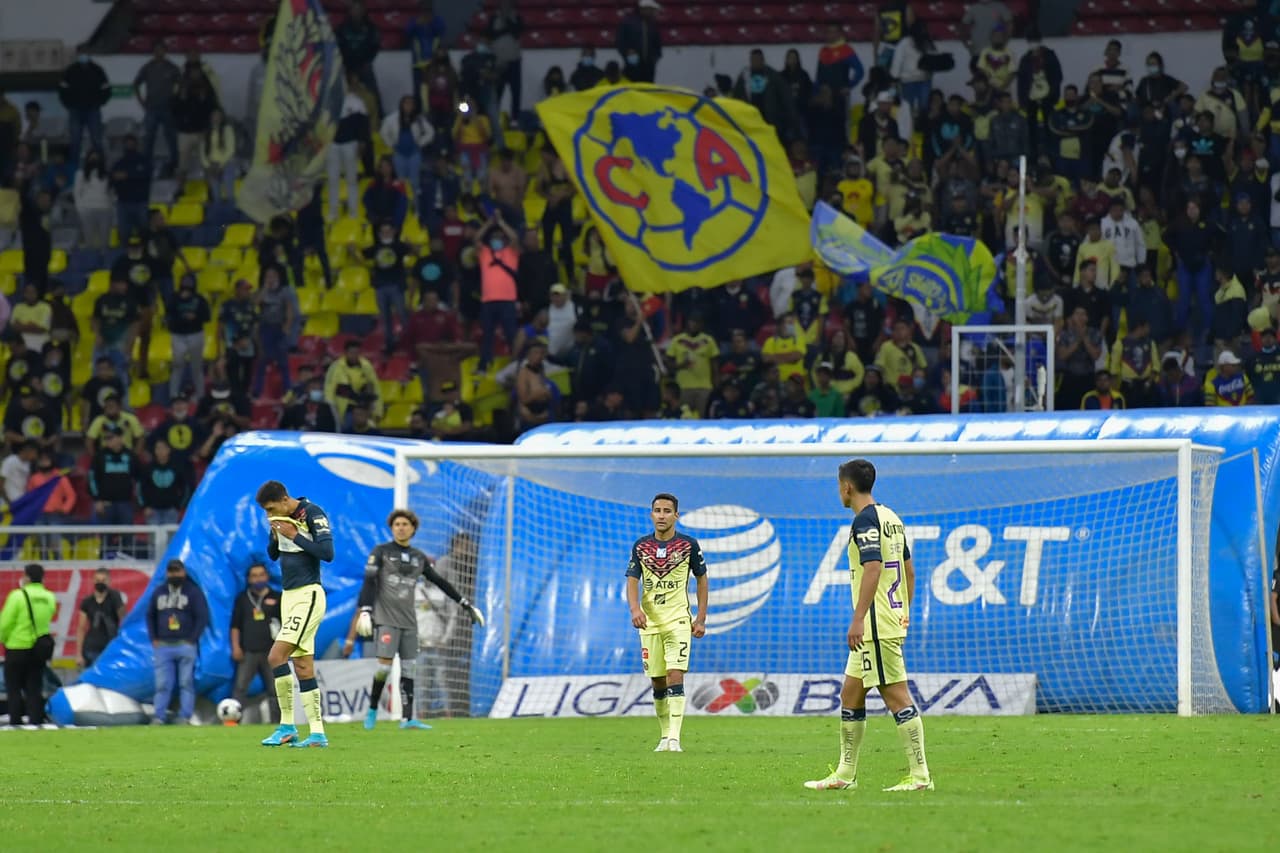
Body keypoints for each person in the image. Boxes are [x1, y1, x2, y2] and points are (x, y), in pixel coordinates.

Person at [805, 459, 932, 792]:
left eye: (839, 486)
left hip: (875, 626)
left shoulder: (864, 520)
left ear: (846, 487)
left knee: (897, 696)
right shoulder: (892, 518)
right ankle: (845, 774)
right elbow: (909, 571)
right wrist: (905, 610)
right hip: (888, 619)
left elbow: (873, 568)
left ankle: (920, 776)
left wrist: (858, 618)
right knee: (850, 693)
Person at [345, 509, 484, 729]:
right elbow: (369, 582)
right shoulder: (381, 552)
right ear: (392, 528)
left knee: (409, 669)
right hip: (387, 620)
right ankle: (372, 710)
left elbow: (440, 582)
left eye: (405, 524)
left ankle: (408, 719)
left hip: (410, 622)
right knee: (384, 668)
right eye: (397, 524)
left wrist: (465, 604)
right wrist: (366, 609)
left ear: (413, 529)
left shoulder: (418, 557)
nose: (401, 528)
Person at [626, 493, 707, 753]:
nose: (662, 515)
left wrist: (701, 618)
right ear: (652, 515)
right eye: (658, 510)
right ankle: (664, 736)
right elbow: (632, 580)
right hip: (650, 623)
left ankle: (674, 738)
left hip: (678, 620)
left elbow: (702, 579)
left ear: (676, 515)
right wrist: (635, 609)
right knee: (658, 681)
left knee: (675, 673)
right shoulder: (641, 546)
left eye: (667, 511)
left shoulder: (688, 545)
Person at [257, 480, 335, 747]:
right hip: (288, 596)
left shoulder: (312, 513)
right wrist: (274, 534)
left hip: (308, 595)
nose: (269, 514)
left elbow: (327, 553)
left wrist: (294, 535)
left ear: (284, 499)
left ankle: (287, 726)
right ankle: (317, 734)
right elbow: (273, 555)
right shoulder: (280, 520)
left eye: (270, 509)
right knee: (302, 666)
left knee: (276, 656)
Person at [147, 558, 209, 725]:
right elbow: (150, 615)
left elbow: (202, 616)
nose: (174, 574)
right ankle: (159, 716)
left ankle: (185, 716)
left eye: (177, 571)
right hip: (163, 645)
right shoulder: (159, 592)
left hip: (184, 644)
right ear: (167, 573)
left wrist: (192, 639)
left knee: (186, 683)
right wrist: (154, 638)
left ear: (184, 572)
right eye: (171, 571)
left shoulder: (192, 592)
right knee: (162, 684)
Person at [0, 564, 57, 725]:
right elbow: (49, 616)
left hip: (17, 647)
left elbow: (5, 623)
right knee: (34, 688)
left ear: (27, 577)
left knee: (14, 689)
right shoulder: (49, 597)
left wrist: (4, 639)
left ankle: (16, 721)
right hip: (38, 649)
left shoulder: (17, 596)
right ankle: (35, 721)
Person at [230, 563, 282, 724]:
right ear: (248, 579)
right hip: (248, 652)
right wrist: (236, 647)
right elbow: (235, 626)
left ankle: (278, 724)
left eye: (261, 575)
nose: (258, 579)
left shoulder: (277, 597)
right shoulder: (243, 598)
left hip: (272, 652)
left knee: (275, 690)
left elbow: (286, 624)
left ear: (267, 576)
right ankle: (233, 721)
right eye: (254, 576)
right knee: (240, 688)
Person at [58, 44, 110, 169]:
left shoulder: (97, 70)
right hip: (75, 110)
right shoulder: (70, 70)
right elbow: (62, 89)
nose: (83, 55)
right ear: (77, 54)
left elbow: (106, 88)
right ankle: (74, 169)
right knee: (75, 141)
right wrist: (68, 104)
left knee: (97, 140)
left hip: (93, 109)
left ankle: (101, 168)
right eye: (81, 53)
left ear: (89, 54)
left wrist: (100, 102)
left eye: (85, 52)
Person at [134, 41, 181, 172]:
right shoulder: (147, 67)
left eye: (161, 50)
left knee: (171, 138)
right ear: (153, 52)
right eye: (156, 50)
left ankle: (174, 164)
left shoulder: (172, 67)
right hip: (151, 108)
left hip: (168, 108)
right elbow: (136, 84)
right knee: (148, 138)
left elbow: (182, 85)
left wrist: (176, 101)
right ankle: (146, 165)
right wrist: (141, 101)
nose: (158, 52)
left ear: (165, 51)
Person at [76, 568, 125, 669]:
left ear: (109, 581)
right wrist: (78, 654)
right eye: (97, 580)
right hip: (91, 648)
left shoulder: (114, 598)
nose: (100, 583)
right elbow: (81, 628)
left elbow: (123, 618)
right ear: (93, 581)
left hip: (111, 647)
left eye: (103, 580)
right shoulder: (87, 601)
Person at [616, 0, 663, 84]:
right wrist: (627, 52)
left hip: (649, 66)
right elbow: (620, 42)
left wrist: (655, 57)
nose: (652, 11)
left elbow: (657, 44)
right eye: (650, 9)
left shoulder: (652, 24)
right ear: (642, 9)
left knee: (648, 88)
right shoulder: (628, 22)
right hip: (632, 65)